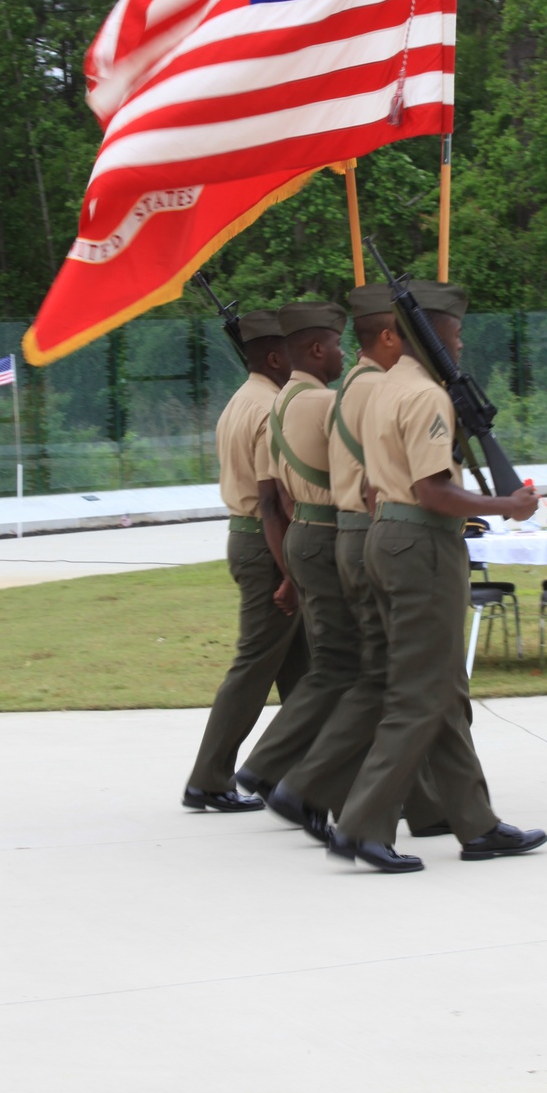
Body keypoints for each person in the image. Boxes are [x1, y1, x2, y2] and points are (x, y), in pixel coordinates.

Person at [328, 280, 547, 873]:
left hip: (389, 537)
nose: (460, 348)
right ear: (432, 338)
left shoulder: (384, 384)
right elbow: (431, 490)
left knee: (444, 692)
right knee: (420, 695)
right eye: (453, 338)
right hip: (422, 544)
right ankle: (361, 825)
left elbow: (382, 483)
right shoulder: (426, 396)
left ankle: (476, 825)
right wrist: (509, 507)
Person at [267, 283, 445, 838]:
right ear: (390, 335)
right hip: (374, 534)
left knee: (383, 676)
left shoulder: (339, 390)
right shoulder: (376, 390)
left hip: (340, 531)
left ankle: (432, 805)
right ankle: (309, 785)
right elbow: (384, 479)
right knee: (381, 676)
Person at [234, 299, 360, 836]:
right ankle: (284, 775)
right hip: (328, 534)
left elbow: (277, 497)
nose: (343, 352)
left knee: (327, 668)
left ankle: (289, 776)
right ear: (315, 348)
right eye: (337, 344)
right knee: (346, 668)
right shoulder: (322, 402)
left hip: (303, 534)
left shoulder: (281, 399)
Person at [182, 310, 309, 812]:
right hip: (269, 545)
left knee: (306, 673)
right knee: (254, 667)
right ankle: (209, 779)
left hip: (252, 538)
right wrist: (290, 572)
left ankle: (287, 775)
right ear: (276, 357)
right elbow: (275, 501)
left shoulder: (241, 400)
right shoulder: (272, 408)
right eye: (295, 351)